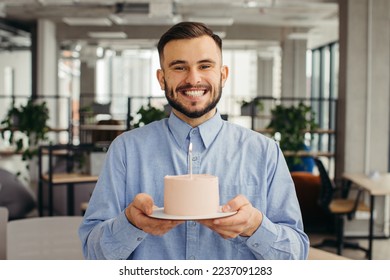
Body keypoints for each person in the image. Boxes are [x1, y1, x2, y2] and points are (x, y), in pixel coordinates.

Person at [79, 22, 309, 260]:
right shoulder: (126, 150)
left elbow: (296, 256)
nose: (193, 79)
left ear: (223, 75)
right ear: (161, 78)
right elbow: (93, 255)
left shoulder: (264, 152)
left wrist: (254, 226)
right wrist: (130, 224)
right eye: (179, 67)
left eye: (205, 65)